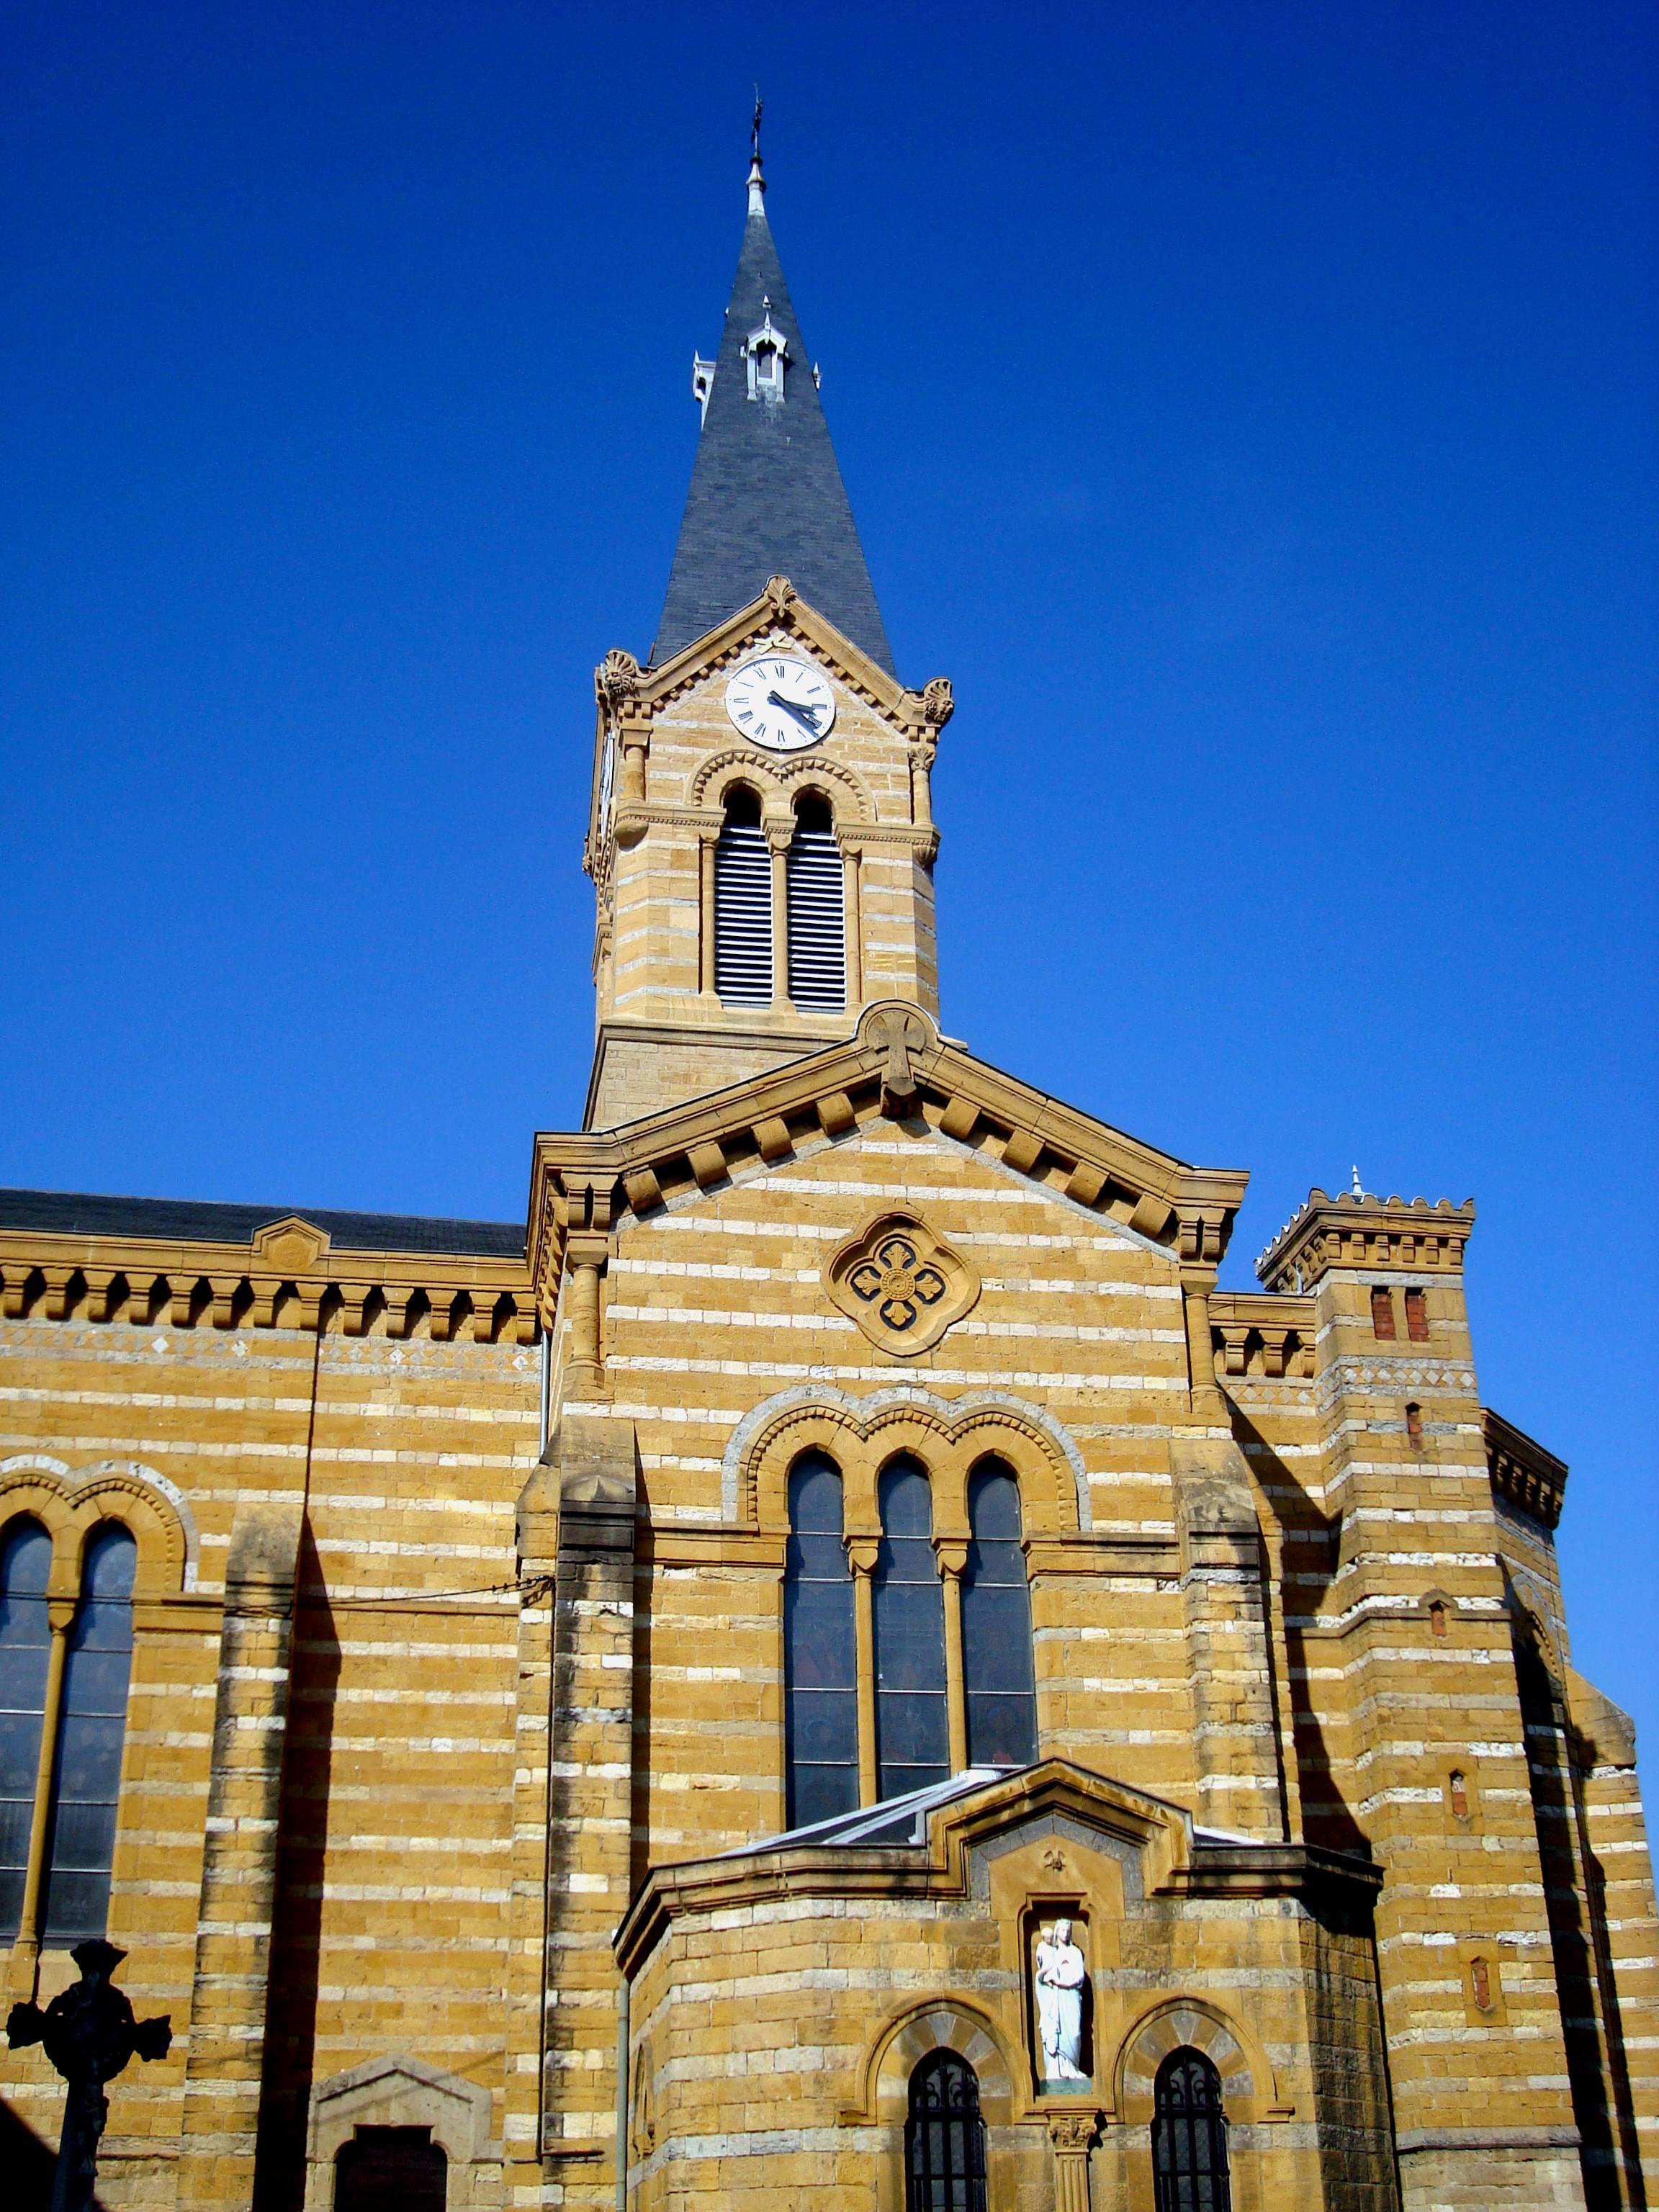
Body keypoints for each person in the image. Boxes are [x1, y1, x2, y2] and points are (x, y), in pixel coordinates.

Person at [1034, 1918, 1087, 2081]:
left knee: (1074, 2034)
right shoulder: (1052, 1952)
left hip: (1070, 1996)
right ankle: (1056, 2070)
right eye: (1063, 1931)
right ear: (1057, 1932)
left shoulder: (1075, 1953)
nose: (1066, 1934)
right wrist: (1044, 1973)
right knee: (1055, 2033)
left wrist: (1062, 1982)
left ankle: (1072, 2068)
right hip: (1055, 1998)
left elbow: (1080, 1977)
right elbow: (1042, 1977)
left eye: (1068, 1931)